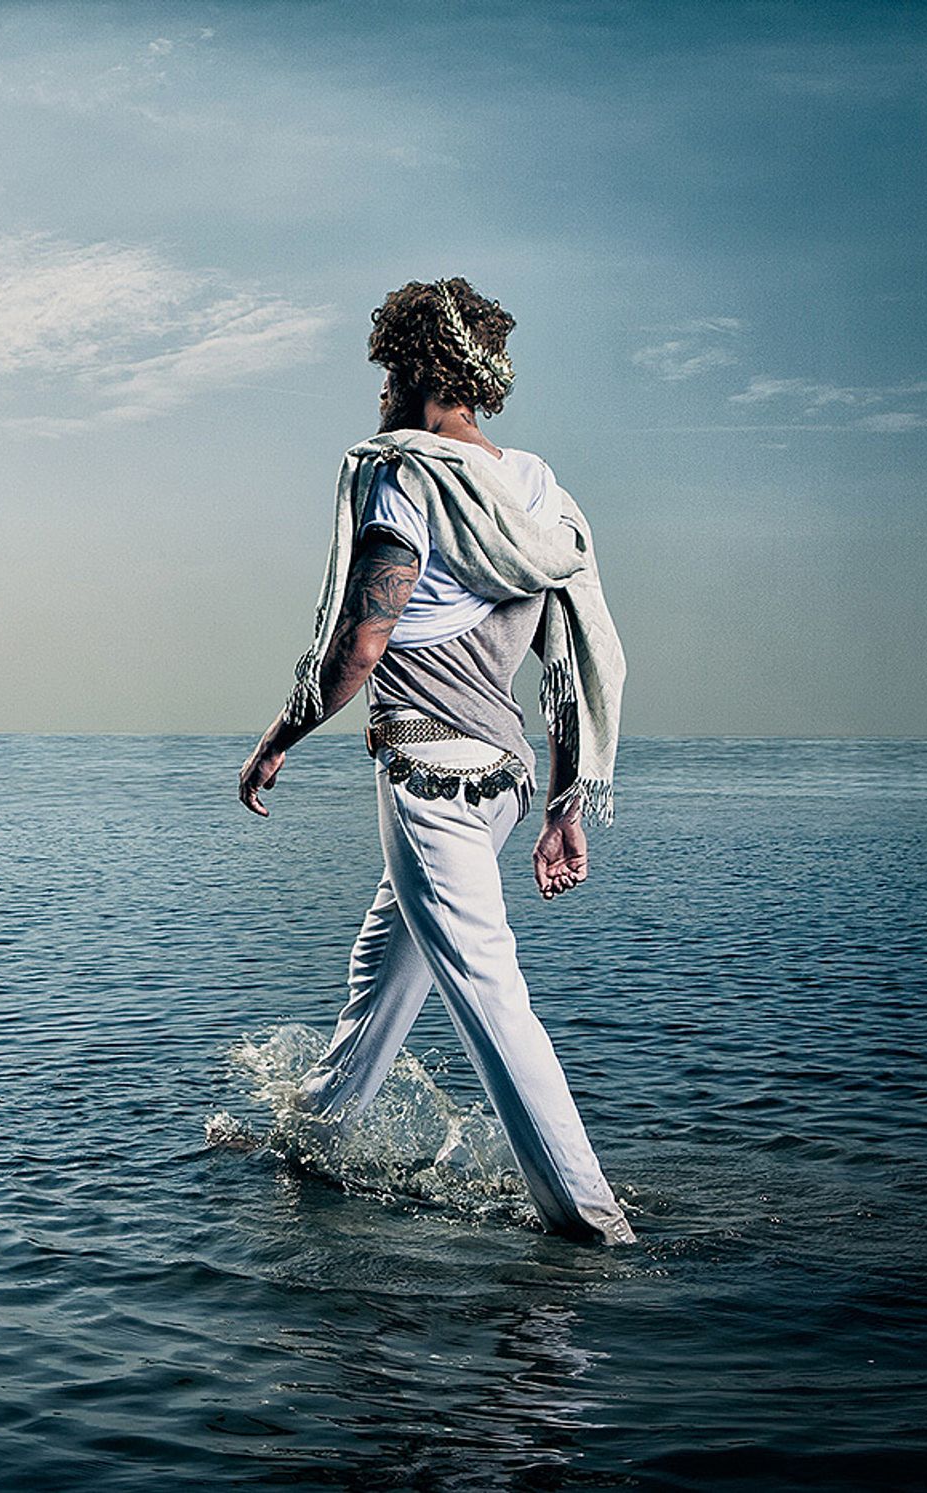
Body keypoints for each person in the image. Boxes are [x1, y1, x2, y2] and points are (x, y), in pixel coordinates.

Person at [235, 277, 636, 1246]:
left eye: (382, 369)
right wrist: (562, 806)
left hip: (427, 782)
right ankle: (311, 1132)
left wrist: (279, 733)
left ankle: (595, 1225)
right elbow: (567, 669)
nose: (375, 391)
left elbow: (361, 646)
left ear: (409, 370)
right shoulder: (535, 491)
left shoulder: (402, 476)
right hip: (499, 784)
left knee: (490, 998)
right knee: (385, 961)